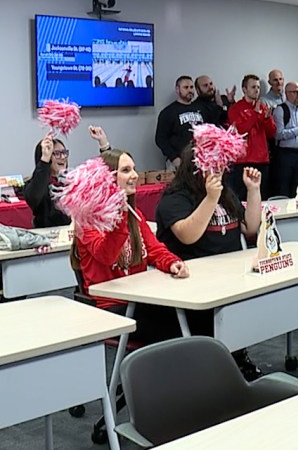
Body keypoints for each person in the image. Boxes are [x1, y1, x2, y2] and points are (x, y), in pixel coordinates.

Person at [153, 142, 264, 378]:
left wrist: (253, 191)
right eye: (212, 164)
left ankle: (234, 357)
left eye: (222, 165)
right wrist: (211, 198)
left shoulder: (225, 193)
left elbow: (251, 228)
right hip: (193, 288)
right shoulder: (175, 198)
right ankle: (217, 367)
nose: (219, 170)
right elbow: (188, 235)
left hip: (228, 280)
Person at [75, 149, 193, 346]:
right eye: (126, 170)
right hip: (110, 308)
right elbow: (107, 256)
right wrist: (120, 217)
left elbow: (155, 250)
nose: (135, 175)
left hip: (139, 299)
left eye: (134, 169)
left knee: (194, 315)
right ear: (108, 178)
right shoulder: (87, 221)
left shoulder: (134, 214)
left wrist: (172, 263)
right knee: (176, 324)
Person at [23, 125, 112, 228]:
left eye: (64, 153)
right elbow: (34, 196)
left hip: (76, 236)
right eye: (57, 154)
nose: (63, 157)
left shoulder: (74, 181)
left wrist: (104, 144)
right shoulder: (36, 185)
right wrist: (45, 159)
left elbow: (106, 176)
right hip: (51, 239)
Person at [228, 74, 276, 200]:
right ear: (244, 89)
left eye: (258, 87)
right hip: (243, 161)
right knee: (242, 198)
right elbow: (241, 130)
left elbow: (271, 133)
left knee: (261, 197)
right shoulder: (235, 109)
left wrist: (266, 119)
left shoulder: (263, 107)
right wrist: (255, 114)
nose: (257, 90)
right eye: (253, 87)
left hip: (262, 160)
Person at [155, 75, 204, 172]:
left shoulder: (200, 109)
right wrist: (174, 158)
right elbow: (160, 139)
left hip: (199, 161)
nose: (190, 90)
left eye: (191, 87)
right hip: (178, 163)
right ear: (178, 90)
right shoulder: (168, 112)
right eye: (186, 87)